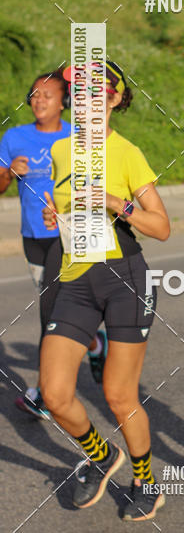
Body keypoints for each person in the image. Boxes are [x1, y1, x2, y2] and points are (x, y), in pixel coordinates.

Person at [40, 59, 170, 520]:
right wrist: (56, 221)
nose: (86, 102)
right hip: (76, 278)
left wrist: (118, 203)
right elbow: (62, 212)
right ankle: (101, 456)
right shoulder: (59, 152)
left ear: (113, 99)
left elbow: (162, 227)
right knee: (54, 394)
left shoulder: (127, 153)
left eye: (97, 94)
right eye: (79, 94)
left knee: (118, 394)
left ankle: (146, 481)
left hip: (123, 278)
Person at [0, 70, 106, 419]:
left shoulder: (80, 137)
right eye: (34, 94)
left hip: (73, 238)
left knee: (53, 314)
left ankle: (45, 393)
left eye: (47, 94)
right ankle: (93, 343)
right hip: (35, 239)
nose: (39, 100)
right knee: (60, 311)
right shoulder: (14, 138)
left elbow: (99, 184)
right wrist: (8, 174)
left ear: (64, 102)